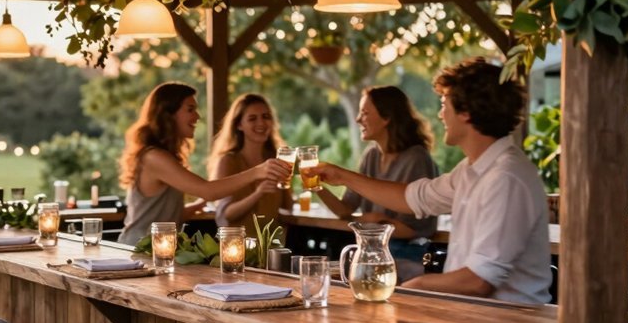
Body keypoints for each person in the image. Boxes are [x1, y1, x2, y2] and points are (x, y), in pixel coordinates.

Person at [304, 58, 551, 304]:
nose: (440, 114)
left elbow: (478, 282)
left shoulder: (505, 178)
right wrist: (342, 176)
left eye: (444, 104)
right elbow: (412, 198)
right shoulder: (470, 170)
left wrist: (412, 287)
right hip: (472, 319)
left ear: (466, 112)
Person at [117, 83, 291, 245]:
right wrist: (257, 172)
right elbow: (208, 191)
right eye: (190, 109)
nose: (197, 116)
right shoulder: (154, 157)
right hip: (136, 252)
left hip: (157, 249)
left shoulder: (163, 156)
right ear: (168, 114)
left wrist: (193, 208)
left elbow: (162, 217)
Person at [316, 86, 438, 263]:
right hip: (373, 251)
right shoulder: (371, 155)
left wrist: (373, 221)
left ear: (387, 117)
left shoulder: (416, 158)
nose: (358, 119)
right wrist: (315, 185)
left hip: (406, 254)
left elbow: (414, 230)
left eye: (364, 113)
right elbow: (345, 210)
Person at [207, 93, 292, 234]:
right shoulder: (228, 161)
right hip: (238, 247)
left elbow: (287, 206)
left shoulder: (276, 160)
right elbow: (226, 214)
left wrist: (294, 180)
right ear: (239, 125)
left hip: (270, 247)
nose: (261, 123)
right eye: (252, 118)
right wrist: (258, 194)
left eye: (266, 117)